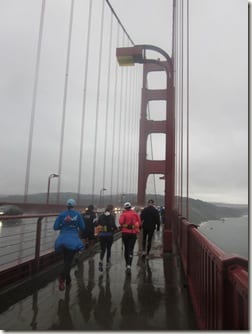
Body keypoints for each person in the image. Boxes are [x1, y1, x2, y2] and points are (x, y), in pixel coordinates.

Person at [54, 198, 85, 291]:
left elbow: (55, 227)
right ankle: (62, 277)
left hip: (62, 240)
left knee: (66, 260)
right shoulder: (77, 215)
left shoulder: (61, 214)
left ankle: (68, 280)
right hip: (73, 240)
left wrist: (63, 226)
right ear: (74, 206)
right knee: (68, 261)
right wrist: (74, 226)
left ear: (66, 206)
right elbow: (83, 227)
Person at [119, 202, 140, 274]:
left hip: (125, 233)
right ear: (131, 207)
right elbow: (139, 223)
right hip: (133, 233)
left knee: (126, 249)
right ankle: (129, 266)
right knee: (131, 249)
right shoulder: (135, 214)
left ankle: (127, 263)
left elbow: (121, 222)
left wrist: (126, 226)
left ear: (125, 208)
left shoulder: (123, 214)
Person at [96, 204, 117, 272]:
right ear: (111, 210)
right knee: (108, 249)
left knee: (102, 249)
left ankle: (101, 261)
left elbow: (97, 224)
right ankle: (108, 263)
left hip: (102, 235)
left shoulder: (101, 216)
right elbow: (113, 226)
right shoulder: (111, 216)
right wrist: (115, 229)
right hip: (109, 235)